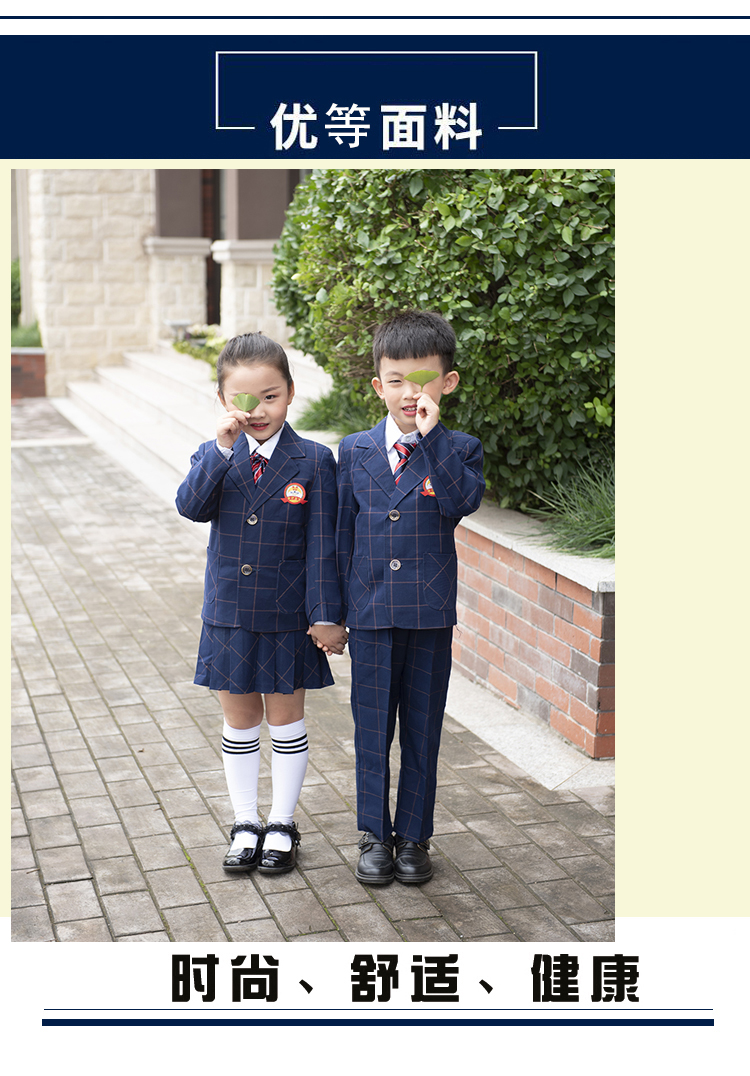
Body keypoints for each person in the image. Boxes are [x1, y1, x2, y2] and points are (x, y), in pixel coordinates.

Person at [176, 332, 346, 876]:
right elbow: (190, 506)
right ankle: (245, 821)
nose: (258, 410)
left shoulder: (314, 460)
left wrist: (326, 614)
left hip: (287, 615)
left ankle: (282, 822)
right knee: (240, 721)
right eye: (244, 399)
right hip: (228, 612)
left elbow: (323, 545)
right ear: (223, 400)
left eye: (270, 397)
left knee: (286, 719)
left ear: (290, 393)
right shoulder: (215, 454)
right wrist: (222, 450)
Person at [336, 310, 485, 886]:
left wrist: (431, 437)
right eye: (396, 380)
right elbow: (338, 538)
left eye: (422, 380)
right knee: (372, 730)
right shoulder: (354, 451)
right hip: (370, 614)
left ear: (447, 382)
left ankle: (415, 835)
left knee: (423, 730)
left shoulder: (459, 449)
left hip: (428, 616)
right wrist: (331, 613)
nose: (408, 393)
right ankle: (374, 833)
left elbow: (459, 503)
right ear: (378, 385)